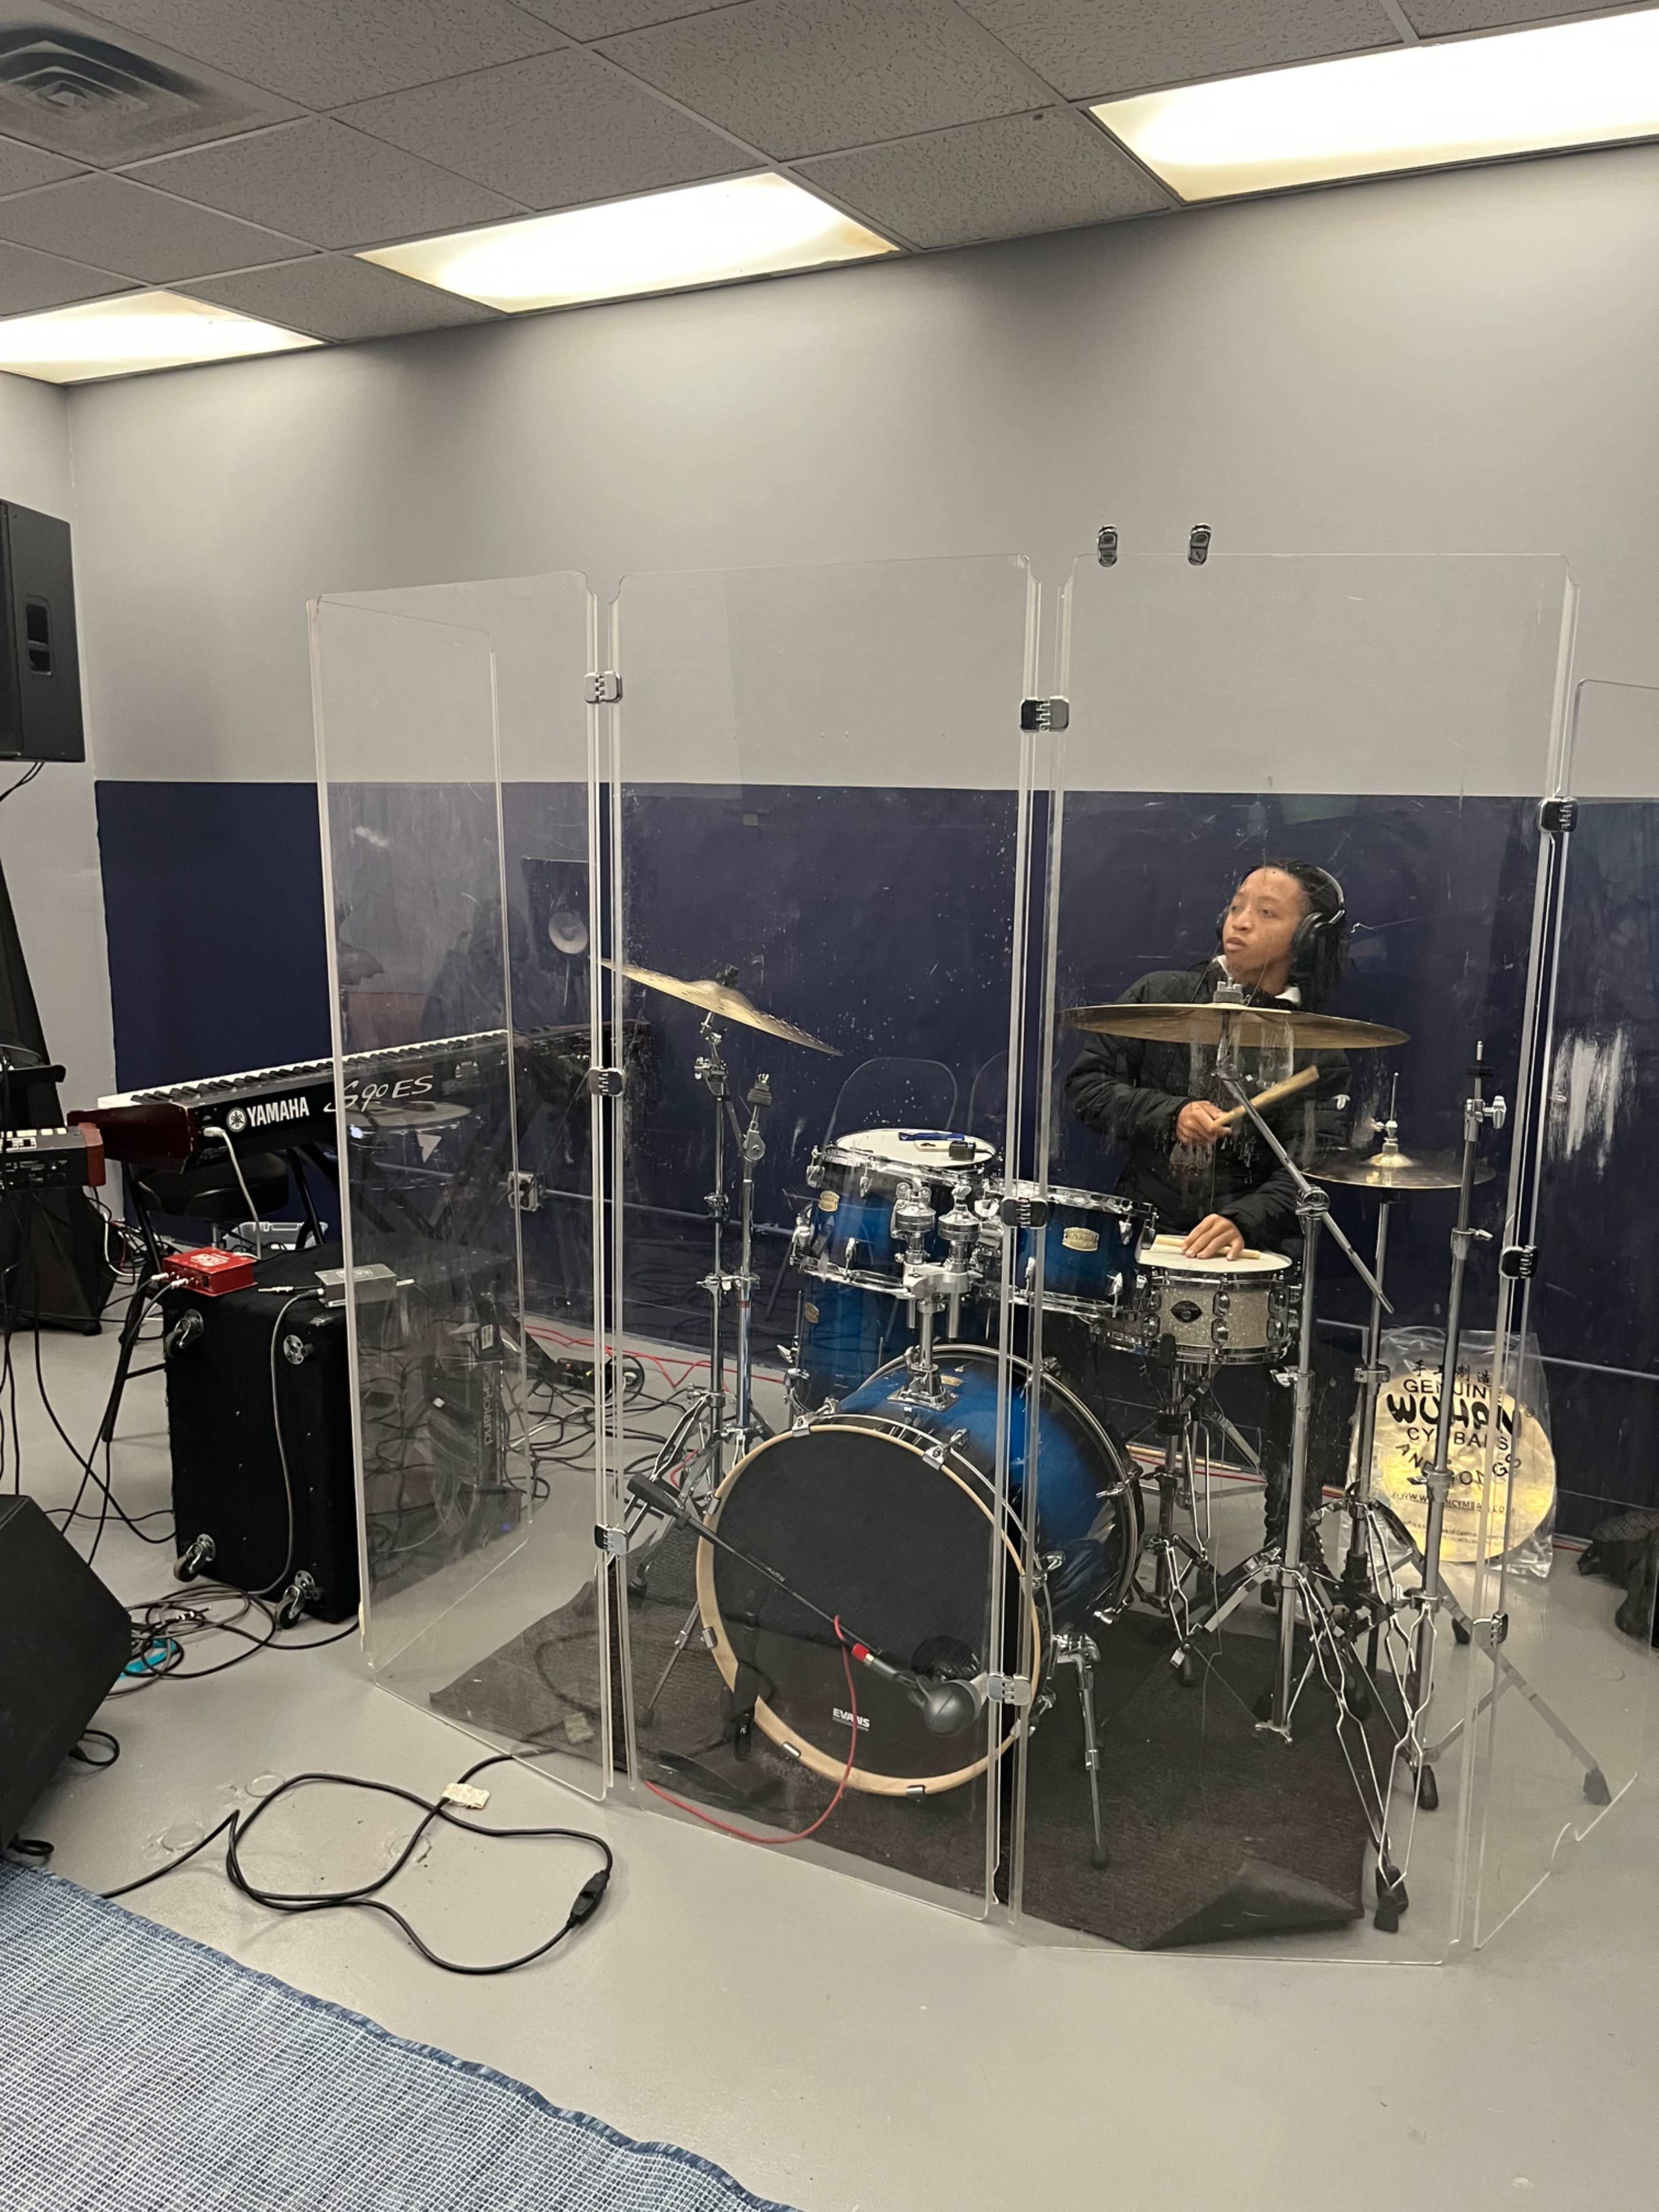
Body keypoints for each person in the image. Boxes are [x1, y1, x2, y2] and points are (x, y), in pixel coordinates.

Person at [1065, 860, 1352, 1565]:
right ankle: (1079, 1490)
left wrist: (1246, 1219)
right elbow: (1086, 1086)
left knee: (1318, 1366)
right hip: (1146, 1225)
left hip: (1249, 1247)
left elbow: (1316, 1168)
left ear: (1306, 939)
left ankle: (1292, 1536)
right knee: (1050, 1313)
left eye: (1267, 913)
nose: (1240, 922)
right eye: (1236, 905)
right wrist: (1169, 1113)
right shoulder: (1159, 999)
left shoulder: (1320, 1045)